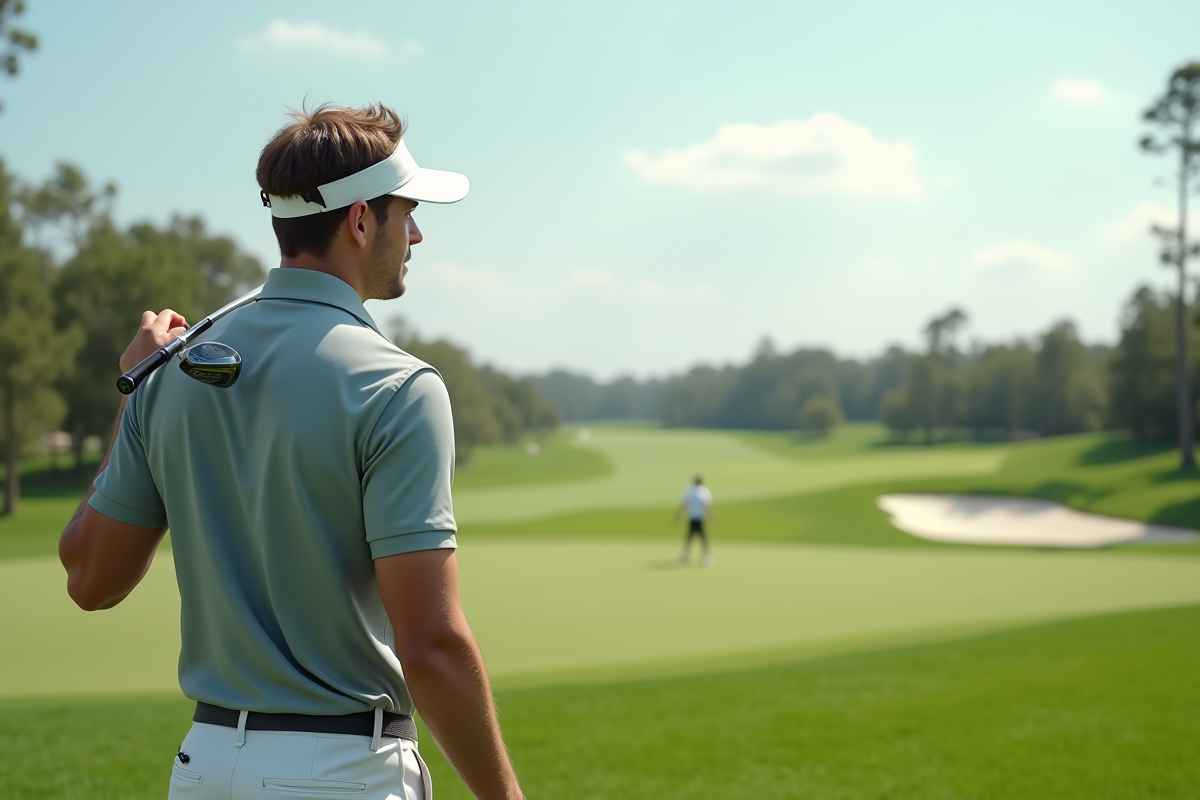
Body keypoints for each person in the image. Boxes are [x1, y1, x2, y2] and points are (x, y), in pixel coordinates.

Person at [58, 103, 524, 800]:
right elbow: (431, 647)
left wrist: (134, 398)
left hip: (205, 769)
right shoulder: (399, 386)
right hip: (342, 774)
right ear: (361, 221)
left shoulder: (169, 375)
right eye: (406, 212)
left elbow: (90, 580)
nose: (417, 233)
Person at [674, 475, 715, 566]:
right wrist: (712, 519)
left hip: (692, 518)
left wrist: (678, 518)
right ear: (701, 482)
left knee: (689, 537)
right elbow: (707, 507)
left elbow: (683, 506)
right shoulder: (704, 491)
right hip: (700, 518)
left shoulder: (689, 491)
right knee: (703, 538)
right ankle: (706, 557)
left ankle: (685, 555)